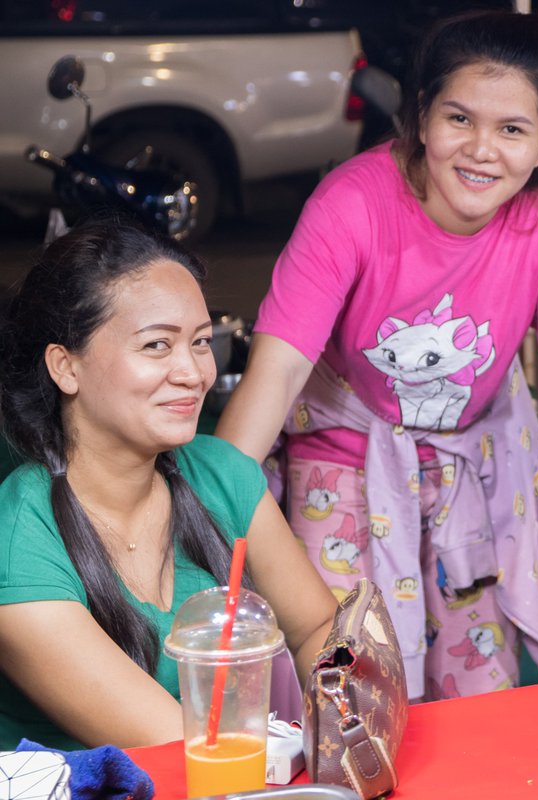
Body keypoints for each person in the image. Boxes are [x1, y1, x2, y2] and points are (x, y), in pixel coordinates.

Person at [215, 11, 538, 701]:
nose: (482, 149)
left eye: (512, 129)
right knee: (346, 689)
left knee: (477, 696)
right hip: (343, 463)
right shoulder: (351, 204)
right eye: (460, 118)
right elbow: (276, 374)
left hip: (469, 472)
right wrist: (207, 528)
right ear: (422, 116)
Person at [0, 219, 337, 750]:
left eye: (200, 342)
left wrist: (339, 716)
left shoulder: (221, 475)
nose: (193, 372)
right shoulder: (19, 538)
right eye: (157, 345)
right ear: (65, 367)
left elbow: (320, 627)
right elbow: (179, 749)